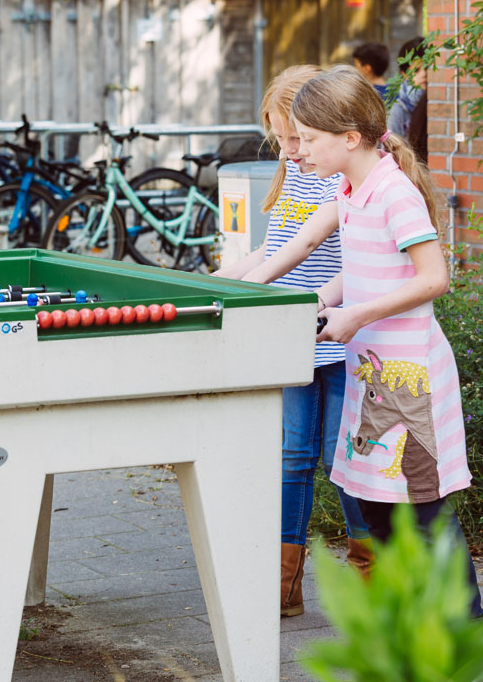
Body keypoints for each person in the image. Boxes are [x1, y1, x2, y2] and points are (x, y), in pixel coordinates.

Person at [244, 64, 482, 617]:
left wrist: (354, 317)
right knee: (376, 508)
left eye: (306, 139)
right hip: (373, 378)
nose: (296, 151)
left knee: (424, 516)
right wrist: (325, 302)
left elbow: (433, 278)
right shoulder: (352, 190)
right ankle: (405, 626)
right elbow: (364, 265)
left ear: (349, 138)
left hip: (410, 382)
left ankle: (465, 636)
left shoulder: (395, 194)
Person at [214, 65, 371, 617]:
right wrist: (218, 282)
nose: (288, 149)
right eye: (281, 137)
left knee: (341, 457)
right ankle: (284, 585)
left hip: (338, 336)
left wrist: (307, 302)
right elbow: (273, 250)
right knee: (291, 457)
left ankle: (368, 576)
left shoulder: (343, 175)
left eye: (294, 136)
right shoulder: (294, 172)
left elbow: (333, 254)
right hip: (291, 340)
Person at [387, 36, 426, 140]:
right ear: (405, 74)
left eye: (427, 68)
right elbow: (391, 151)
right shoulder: (398, 111)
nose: (424, 74)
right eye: (416, 70)